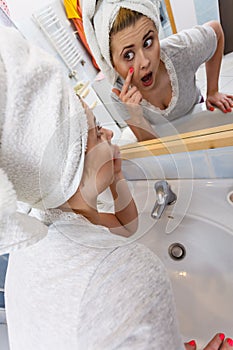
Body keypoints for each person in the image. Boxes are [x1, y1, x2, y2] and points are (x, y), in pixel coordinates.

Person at [0, 26, 232, 350]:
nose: (109, 134)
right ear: (71, 166)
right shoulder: (124, 273)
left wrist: (116, 177)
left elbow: (126, 225)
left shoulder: (47, 220)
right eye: (97, 131)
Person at [82, 0, 233, 141]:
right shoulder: (120, 96)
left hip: (200, 117)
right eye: (128, 55)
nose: (145, 62)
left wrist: (213, 91)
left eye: (148, 42)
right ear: (112, 63)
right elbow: (153, 148)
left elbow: (216, 30)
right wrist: (136, 117)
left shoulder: (181, 51)